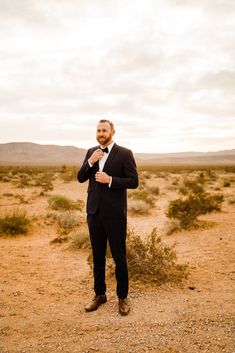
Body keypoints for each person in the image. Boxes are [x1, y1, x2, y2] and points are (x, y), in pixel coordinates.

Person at [77, 119, 138, 315]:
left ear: (113, 132)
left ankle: (122, 298)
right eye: (98, 130)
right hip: (94, 213)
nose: (101, 133)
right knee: (98, 256)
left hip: (115, 214)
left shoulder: (125, 153)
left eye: (104, 130)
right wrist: (90, 162)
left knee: (119, 257)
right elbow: (80, 177)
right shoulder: (91, 152)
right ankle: (99, 295)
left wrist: (110, 179)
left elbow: (133, 181)